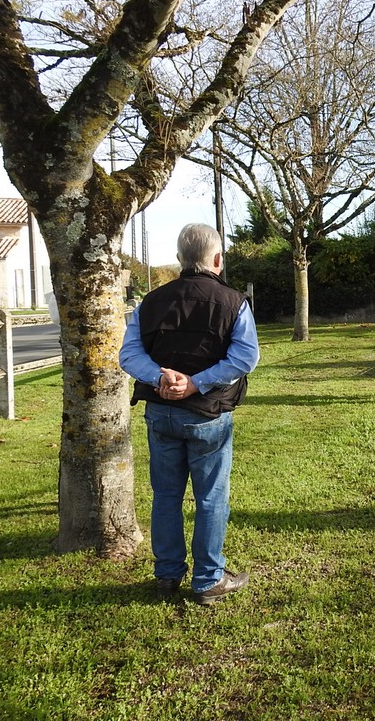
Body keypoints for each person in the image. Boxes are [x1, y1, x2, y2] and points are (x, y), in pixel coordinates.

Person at [119, 223, 259, 605]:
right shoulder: (234, 302)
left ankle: (167, 575)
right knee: (210, 498)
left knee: (166, 496)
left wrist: (160, 377)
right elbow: (246, 357)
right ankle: (208, 579)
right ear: (217, 259)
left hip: (161, 413)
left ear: (180, 259)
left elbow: (129, 355)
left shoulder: (150, 302)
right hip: (207, 415)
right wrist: (197, 384)